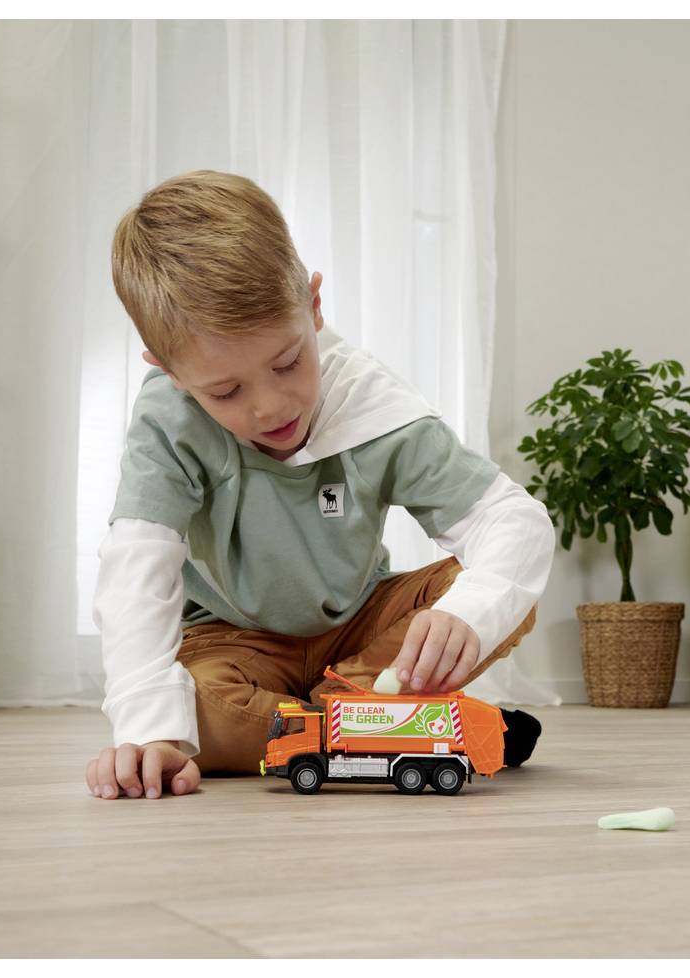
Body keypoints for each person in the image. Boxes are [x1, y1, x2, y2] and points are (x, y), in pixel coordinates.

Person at [84, 170, 554, 800]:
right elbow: (139, 566)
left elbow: (511, 520)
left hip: (359, 625)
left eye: (287, 362)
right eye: (225, 391)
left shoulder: (371, 400)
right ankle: (400, 726)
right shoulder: (168, 419)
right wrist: (148, 732)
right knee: (189, 717)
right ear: (168, 371)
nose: (270, 406)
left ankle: (338, 717)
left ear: (313, 306)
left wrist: (466, 613)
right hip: (229, 639)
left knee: (497, 594)